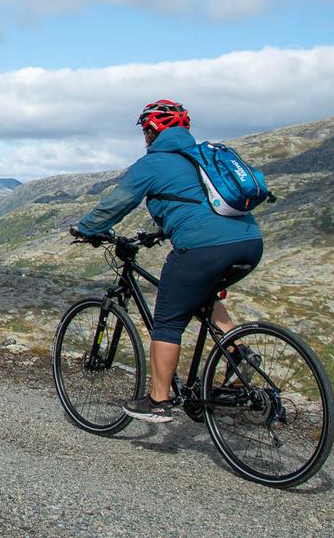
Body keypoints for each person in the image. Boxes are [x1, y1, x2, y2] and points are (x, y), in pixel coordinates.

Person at [72, 100, 263, 423]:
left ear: (153, 130)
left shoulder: (155, 163)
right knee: (204, 295)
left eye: (146, 130)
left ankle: (158, 399)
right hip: (248, 243)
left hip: (204, 248)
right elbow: (196, 203)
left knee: (168, 322)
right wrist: (161, 231)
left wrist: (87, 229)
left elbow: (117, 203)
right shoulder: (202, 157)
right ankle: (237, 353)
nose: (145, 136)